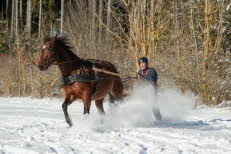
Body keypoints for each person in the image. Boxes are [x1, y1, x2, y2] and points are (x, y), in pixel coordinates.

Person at [138, 57, 162, 121]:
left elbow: (152, 81)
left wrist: (144, 76)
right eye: (140, 64)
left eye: (143, 63)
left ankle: (159, 120)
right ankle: (142, 120)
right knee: (140, 105)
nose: (142, 65)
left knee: (153, 106)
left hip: (152, 91)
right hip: (144, 92)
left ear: (147, 64)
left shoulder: (151, 71)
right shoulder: (140, 72)